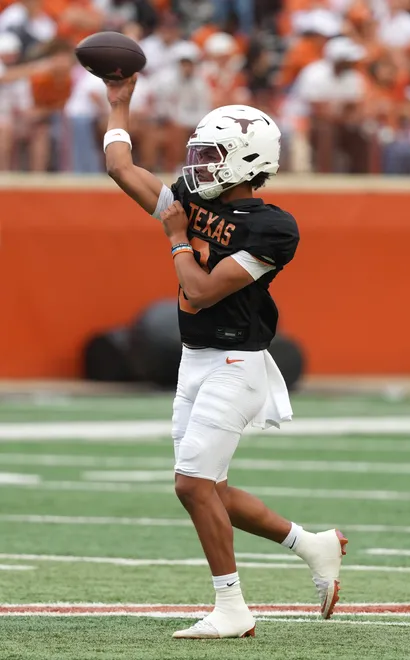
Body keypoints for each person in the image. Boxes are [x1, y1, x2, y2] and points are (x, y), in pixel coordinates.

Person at [103, 73, 348, 639]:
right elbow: (122, 169)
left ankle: (232, 609)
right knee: (208, 487)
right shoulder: (191, 200)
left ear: (246, 161)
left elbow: (200, 290)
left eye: (210, 155)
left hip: (239, 364)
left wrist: (176, 238)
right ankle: (312, 544)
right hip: (196, 358)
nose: (197, 165)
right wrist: (119, 104)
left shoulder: (273, 227)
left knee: (191, 484)